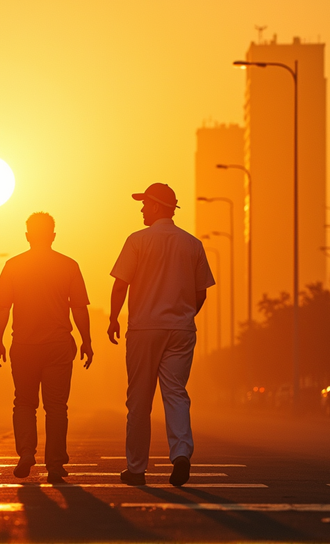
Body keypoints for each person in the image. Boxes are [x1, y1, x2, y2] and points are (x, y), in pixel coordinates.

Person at [107, 182, 214, 487]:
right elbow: (201, 293)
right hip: (181, 329)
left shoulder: (137, 241)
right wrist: (184, 316)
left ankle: (137, 468)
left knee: (139, 400)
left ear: (156, 206)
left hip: (144, 328)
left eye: (144, 204)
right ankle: (181, 454)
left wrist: (114, 318)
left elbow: (120, 285)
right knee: (176, 394)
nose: (141, 209)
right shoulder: (192, 244)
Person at [0, 212, 93, 484]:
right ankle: (55, 463)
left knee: (24, 403)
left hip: (24, 345)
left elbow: (2, 307)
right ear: (53, 236)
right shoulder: (68, 265)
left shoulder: (14, 265)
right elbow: (79, 307)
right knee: (57, 406)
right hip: (58, 345)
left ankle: (26, 452)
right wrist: (87, 341)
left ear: (27, 236)